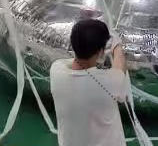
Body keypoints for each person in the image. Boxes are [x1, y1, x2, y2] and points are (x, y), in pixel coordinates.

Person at [50, 18, 128, 146]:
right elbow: (120, 70)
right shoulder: (106, 81)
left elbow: (76, 62)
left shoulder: (56, 70)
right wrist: (117, 46)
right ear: (100, 52)